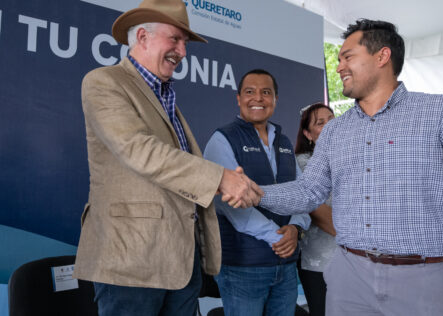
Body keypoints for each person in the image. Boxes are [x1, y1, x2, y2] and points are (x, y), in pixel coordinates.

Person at [238, 19, 443, 316]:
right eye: (340, 58)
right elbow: (309, 191)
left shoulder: (441, 112)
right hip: (349, 279)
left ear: (382, 57)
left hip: (429, 280)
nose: (339, 66)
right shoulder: (334, 132)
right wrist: (255, 193)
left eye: (348, 57)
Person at [73, 0, 262, 315]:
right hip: (130, 263)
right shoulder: (104, 82)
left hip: (180, 263)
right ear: (144, 37)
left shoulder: (165, 96)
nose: (183, 51)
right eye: (174, 39)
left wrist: (226, 181)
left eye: (185, 43)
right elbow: (138, 149)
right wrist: (221, 179)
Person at [203, 69, 311, 316]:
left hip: (285, 267)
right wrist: (278, 237)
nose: (258, 98)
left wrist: (295, 229)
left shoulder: (283, 142)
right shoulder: (222, 139)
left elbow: (302, 192)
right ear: (238, 98)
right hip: (243, 267)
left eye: (266, 92)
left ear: (275, 100)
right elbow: (226, 203)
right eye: (250, 92)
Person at [295, 103, 336, 316]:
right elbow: (319, 214)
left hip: (357, 262)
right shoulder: (303, 164)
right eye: (320, 122)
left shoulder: (351, 161)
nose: (330, 124)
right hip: (320, 265)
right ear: (307, 134)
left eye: (332, 118)